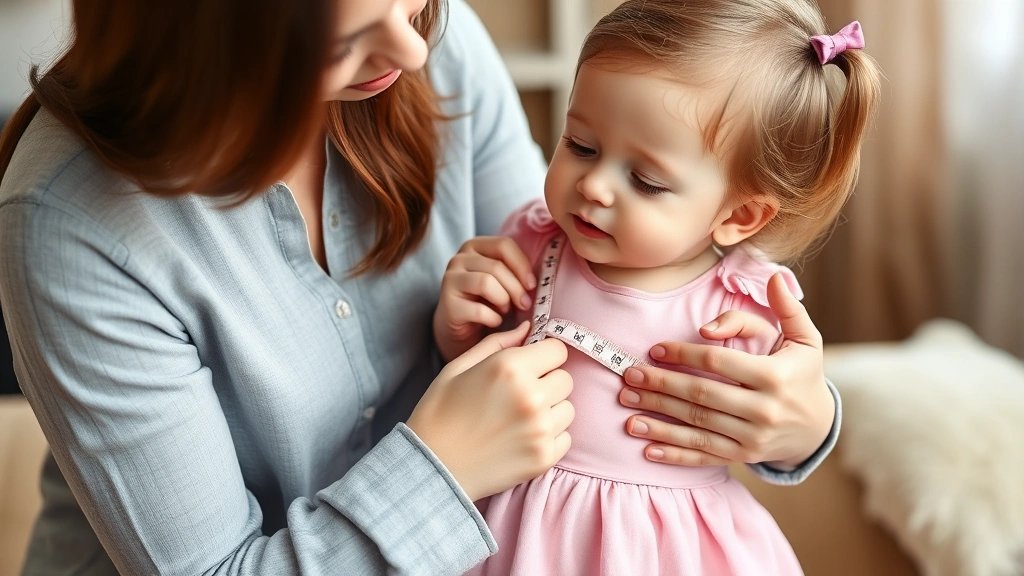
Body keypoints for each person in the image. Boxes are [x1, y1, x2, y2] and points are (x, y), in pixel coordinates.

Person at [0, 0, 842, 574]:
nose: (414, 52)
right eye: (349, 35)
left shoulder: (435, 41)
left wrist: (803, 423)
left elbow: (579, 277)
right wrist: (439, 468)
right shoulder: (70, 220)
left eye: (413, 4)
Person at [433, 1, 880, 574]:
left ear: (739, 216)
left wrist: (810, 422)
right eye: (579, 145)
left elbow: (778, 428)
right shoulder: (532, 242)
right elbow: (478, 387)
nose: (593, 185)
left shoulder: (746, 306)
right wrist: (457, 332)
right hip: (509, 536)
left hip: (667, 552)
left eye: (645, 181)